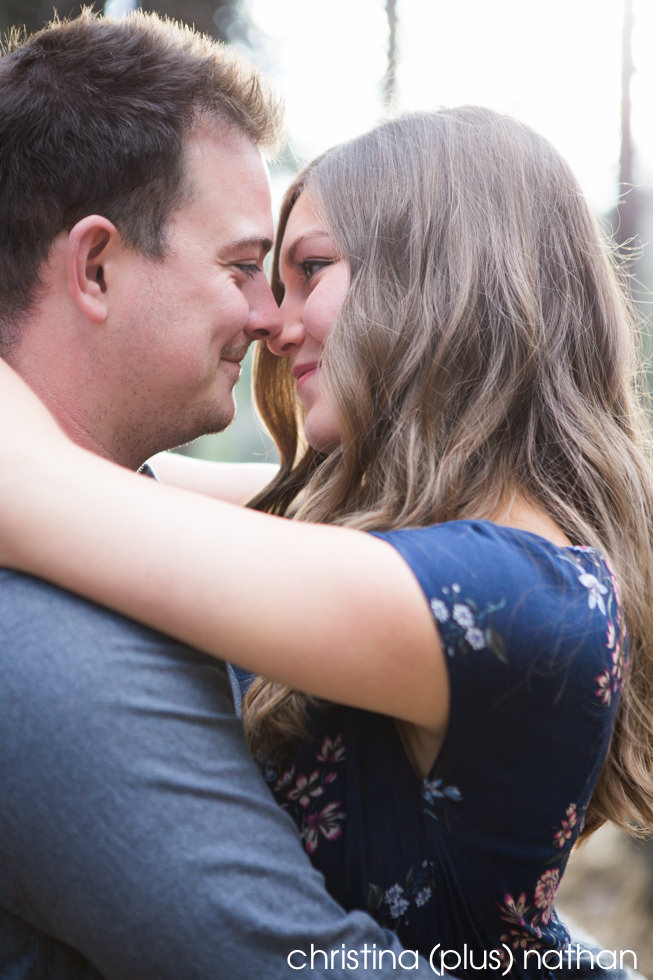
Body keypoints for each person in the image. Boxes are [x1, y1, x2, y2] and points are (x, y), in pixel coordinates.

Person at [0, 106, 651, 980]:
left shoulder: (511, 599)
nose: (274, 321)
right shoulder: (394, 538)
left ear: (439, 276)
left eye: (310, 269)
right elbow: (115, 484)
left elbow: (36, 489)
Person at [0, 11, 448, 979]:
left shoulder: (119, 526)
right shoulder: (44, 638)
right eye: (243, 267)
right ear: (94, 265)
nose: (269, 318)